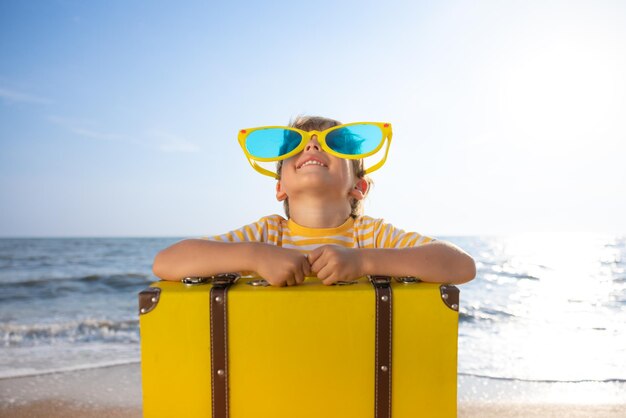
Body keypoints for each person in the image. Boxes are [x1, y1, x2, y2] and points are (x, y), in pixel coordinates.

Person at [153, 116, 475, 287]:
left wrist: (363, 262)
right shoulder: (267, 235)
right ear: (280, 187)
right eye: (298, 145)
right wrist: (254, 256)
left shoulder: (371, 236)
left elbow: (462, 265)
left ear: (358, 187)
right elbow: (166, 262)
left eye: (330, 143)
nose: (312, 147)